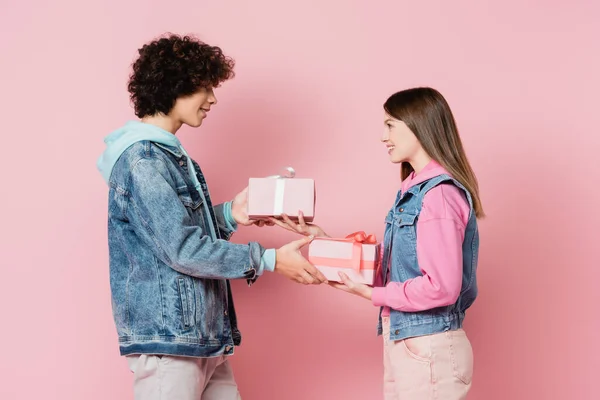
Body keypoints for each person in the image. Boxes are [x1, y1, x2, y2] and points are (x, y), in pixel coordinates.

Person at [97, 33, 327, 400]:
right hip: (171, 343)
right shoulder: (143, 161)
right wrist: (267, 259)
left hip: (203, 339)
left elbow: (177, 234)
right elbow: (183, 249)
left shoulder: (169, 155)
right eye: (205, 87)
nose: (213, 98)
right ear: (175, 86)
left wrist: (232, 214)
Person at [272, 87, 484, 399]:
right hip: (410, 343)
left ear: (417, 124)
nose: (383, 137)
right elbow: (397, 263)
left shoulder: (438, 195)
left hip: (428, 346)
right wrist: (322, 238)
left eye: (390, 125)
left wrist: (372, 294)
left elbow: (442, 287)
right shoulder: (413, 190)